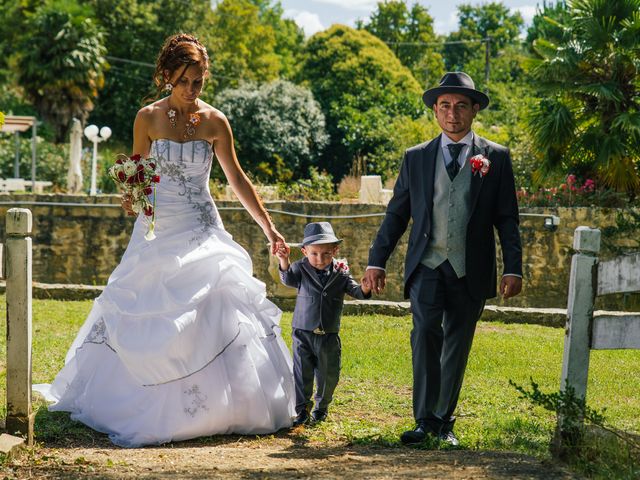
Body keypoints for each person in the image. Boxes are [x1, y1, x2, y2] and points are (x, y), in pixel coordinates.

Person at [34, 33, 296, 447]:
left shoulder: (215, 121)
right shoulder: (147, 118)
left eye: (199, 83)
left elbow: (237, 179)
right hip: (157, 228)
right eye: (185, 82)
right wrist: (130, 193)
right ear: (167, 76)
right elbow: (137, 179)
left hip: (202, 224)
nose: (193, 91)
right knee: (142, 306)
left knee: (221, 296)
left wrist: (269, 227)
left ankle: (230, 404)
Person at [363, 72, 523, 446]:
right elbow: (397, 214)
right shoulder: (416, 157)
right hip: (427, 265)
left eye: (461, 106)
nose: (453, 114)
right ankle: (423, 421)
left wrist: (513, 266)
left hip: (472, 268)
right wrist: (377, 260)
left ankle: (443, 420)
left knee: (458, 342)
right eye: (445, 106)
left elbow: (507, 218)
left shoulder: (495, 157)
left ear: (474, 110)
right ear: (435, 111)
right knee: (424, 335)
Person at [276, 222, 371, 426]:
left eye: (326, 254)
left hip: (328, 333)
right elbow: (288, 279)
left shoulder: (341, 271)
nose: (320, 259)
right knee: (302, 372)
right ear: (304, 251)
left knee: (329, 374)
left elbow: (355, 291)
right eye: (314, 254)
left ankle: (321, 407)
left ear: (335, 250)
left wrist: (364, 288)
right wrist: (284, 260)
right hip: (303, 330)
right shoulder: (300, 268)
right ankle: (301, 410)